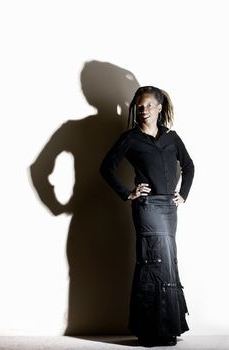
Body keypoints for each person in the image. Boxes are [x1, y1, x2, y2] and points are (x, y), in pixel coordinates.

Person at [99, 86, 194, 347]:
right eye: (140, 106)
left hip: (169, 208)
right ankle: (150, 331)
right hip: (147, 207)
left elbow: (189, 165)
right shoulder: (130, 138)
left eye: (149, 105)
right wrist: (127, 192)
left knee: (167, 262)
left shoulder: (172, 138)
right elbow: (106, 168)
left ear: (160, 108)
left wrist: (182, 194)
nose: (144, 110)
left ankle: (168, 329)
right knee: (153, 261)